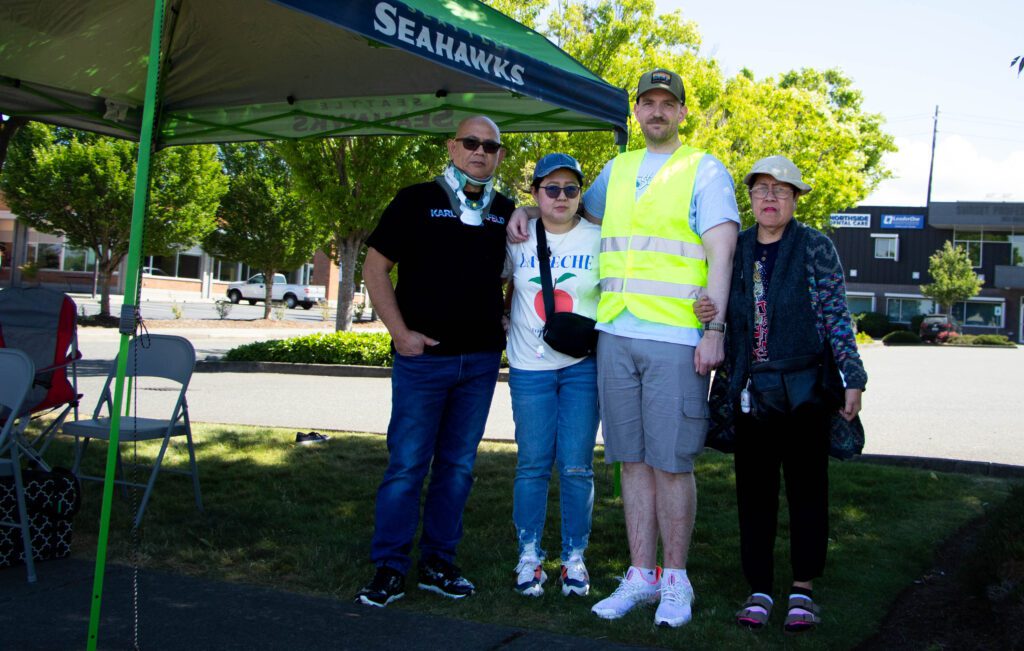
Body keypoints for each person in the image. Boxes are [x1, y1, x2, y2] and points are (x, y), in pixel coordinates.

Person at [510, 68, 739, 627]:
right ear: (636, 111)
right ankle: (641, 575)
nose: (657, 111)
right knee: (631, 461)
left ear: (683, 112)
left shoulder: (703, 169)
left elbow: (722, 249)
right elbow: (567, 211)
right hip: (614, 335)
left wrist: (716, 329)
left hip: (676, 338)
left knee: (671, 462)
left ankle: (676, 581)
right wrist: (521, 212)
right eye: (648, 103)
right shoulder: (618, 170)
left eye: (667, 103)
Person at [695, 155, 867, 633]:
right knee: (754, 493)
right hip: (752, 392)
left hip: (807, 391)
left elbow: (836, 314)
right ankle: (759, 588)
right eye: (761, 189)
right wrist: (706, 307)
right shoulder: (737, 248)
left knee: (808, 491)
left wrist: (852, 376)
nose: (769, 198)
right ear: (749, 198)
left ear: (795, 199)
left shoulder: (815, 246)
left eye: (780, 190)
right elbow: (717, 307)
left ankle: (803, 588)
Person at [354, 116, 514, 608]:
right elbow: (375, 268)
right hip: (423, 360)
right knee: (406, 465)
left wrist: (504, 316)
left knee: (458, 468)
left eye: (490, 146)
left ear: (500, 155)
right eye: (471, 143)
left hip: (481, 362)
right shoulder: (414, 200)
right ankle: (389, 567)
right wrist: (400, 334)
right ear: (452, 147)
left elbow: (518, 273)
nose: (480, 152)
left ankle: (439, 562)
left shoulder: (505, 212)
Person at [503, 153, 602, 598]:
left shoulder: (600, 238)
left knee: (578, 466)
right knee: (532, 464)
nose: (561, 197)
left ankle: (574, 556)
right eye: (551, 188)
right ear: (535, 193)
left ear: (580, 195)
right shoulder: (517, 237)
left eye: (571, 189)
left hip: (582, 367)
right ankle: (529, 554)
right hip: (529, 368)